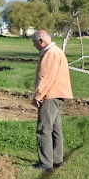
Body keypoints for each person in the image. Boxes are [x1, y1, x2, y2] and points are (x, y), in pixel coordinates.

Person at [31, 29, 72, 171]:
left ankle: (45, 164)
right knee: (55, 128)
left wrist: (38, 95)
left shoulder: (50, 53)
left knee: (43, 129)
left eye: (34, 42)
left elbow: (46, 78)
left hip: (50, 95)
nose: (34, 45)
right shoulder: (57, 51)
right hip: (58, 95)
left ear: (41, 41)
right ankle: (56, 159)